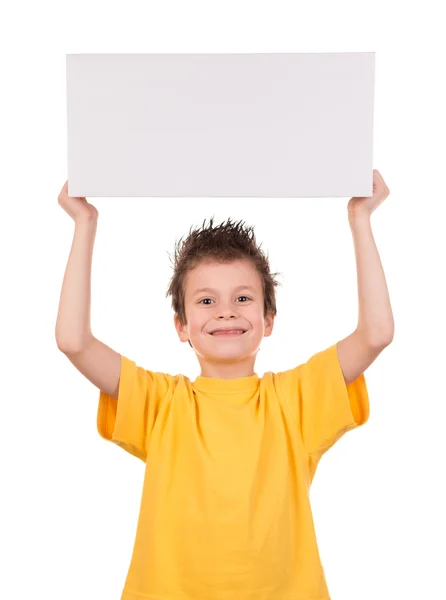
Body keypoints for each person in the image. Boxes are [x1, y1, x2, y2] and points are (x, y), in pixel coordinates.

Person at [55, 169, 394, 600]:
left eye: (243, 298)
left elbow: (376, 333)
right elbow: (73, 341)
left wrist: (361, 219)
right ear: (182, 325)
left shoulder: (295, 399)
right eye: (206, 300)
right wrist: (84, 223)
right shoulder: (161, 402)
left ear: (268, 320)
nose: (226, 312)